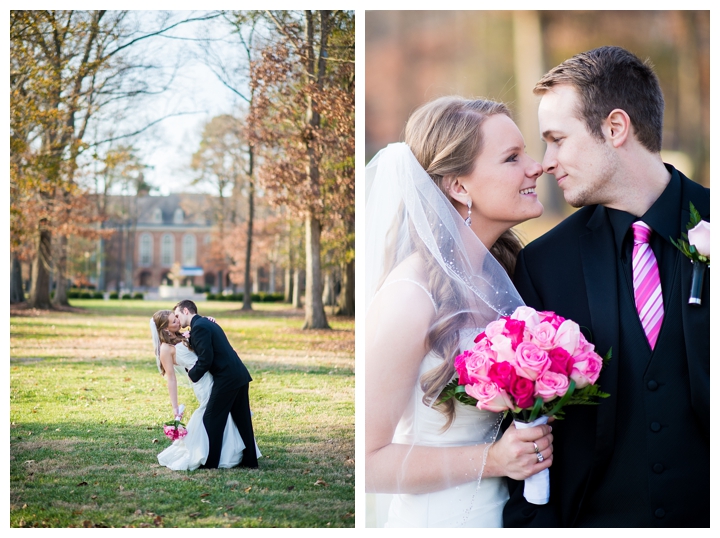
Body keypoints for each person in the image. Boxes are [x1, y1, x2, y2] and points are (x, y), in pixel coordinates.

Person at [503, 46, 709, 527]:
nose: (547, 162)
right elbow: (530, 431)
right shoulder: (543, 265)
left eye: (557, 139)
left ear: (615, 128)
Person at [365, 96, 555, 527]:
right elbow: (370, 463)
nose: (535, 166)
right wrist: (493, 460)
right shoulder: (410, 297)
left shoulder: (505, 275)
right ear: (459, 186)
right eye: (512, 157)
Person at [151, 309, 260, 470]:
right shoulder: (166, 349)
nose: (177, 322)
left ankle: (229, 454)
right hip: (202, 383)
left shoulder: (186, 335)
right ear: (166, 329)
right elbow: (171, 379)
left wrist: (208, 321)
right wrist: (175, 407)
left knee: (223, 415)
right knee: (211, 415)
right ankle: (207, 455)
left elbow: (204, 343)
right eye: (173, 321)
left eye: (176, 317)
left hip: (215, 378)